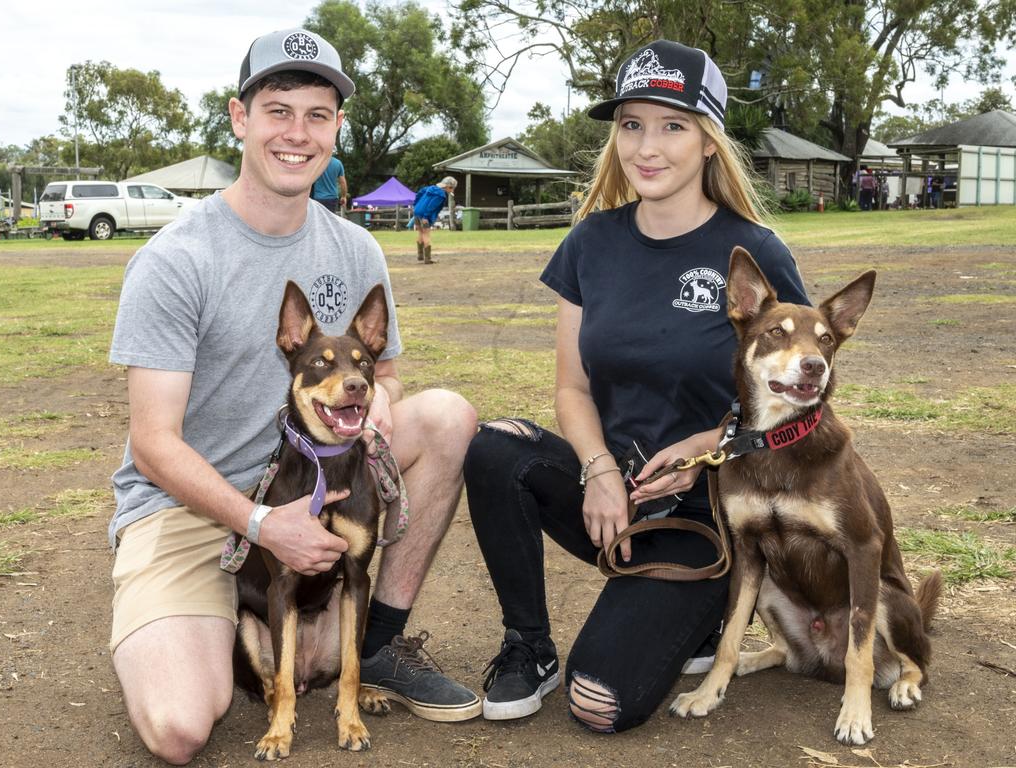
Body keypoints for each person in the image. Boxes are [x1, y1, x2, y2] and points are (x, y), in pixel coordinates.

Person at [107, 28, 480, 765]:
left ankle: (373, 647)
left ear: (337, 128)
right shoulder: (176, 259)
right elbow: (153, 443)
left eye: (318, 114)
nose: (297, 133)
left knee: (446, 418)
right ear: (240, 117)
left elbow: (389, 373)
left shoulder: (355, 248)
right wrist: (258, 522)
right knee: (180, 727)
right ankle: (188, 615)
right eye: (278, 110)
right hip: (192, 505)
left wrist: (376, 401)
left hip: (322, 478)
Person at [463, 39, 809, 733]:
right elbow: (572, 387)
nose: (647, 147)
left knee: (601, 705)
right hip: (612, 500)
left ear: (708, 141)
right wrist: (597, 471)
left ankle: (704, 613)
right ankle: (527, 646)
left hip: (706, 509)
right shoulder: (591, 242)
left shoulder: (755, 251)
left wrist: (709, 443)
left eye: (672, 126)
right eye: (631, 125)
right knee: (495, 448)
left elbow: (801, 402)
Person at [411, 176, 456, 264]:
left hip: (417, 211)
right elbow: (431, 206)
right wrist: (425, 217)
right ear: (448, 187)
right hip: (424, 215)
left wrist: (416, 205)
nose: (452, 191)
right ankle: (427, 259)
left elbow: (419, 193)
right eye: (452, 188)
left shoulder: (430, 188)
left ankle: (420, 255)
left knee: (420, 232)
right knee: (426, 234)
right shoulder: (441, 195)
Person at [312, 147, 348, 213]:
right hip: (332, 198)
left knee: (318, 221)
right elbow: (342, 182)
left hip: (318, 198)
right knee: (330, 221)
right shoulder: (338, 163)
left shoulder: (317, 162)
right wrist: (343, 196)